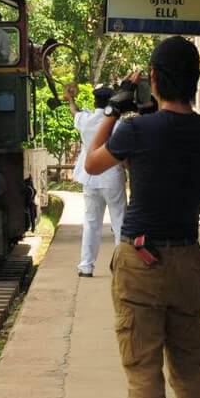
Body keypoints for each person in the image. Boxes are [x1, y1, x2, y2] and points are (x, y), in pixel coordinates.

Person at [82, 36, 200, 398]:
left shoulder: (137, 130)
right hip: (188, 258)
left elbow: (92, 161)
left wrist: (112, 112)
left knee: (143, 369)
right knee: (190, 367)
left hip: (142, 260)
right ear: (196, 80)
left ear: (157, 80)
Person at [76, 86, 127, 277]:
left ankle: (86, 266)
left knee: (91, 223)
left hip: (89, 178)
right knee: (120, 222)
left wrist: (71, 99)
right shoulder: (119, 124)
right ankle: (122, 266)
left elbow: (75, 112)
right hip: (111, 175)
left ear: (94, 102)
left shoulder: (84, 120)